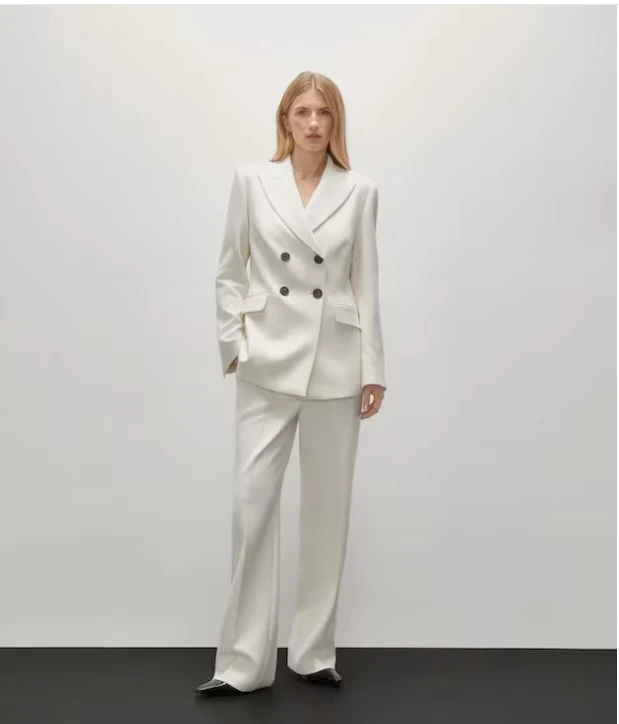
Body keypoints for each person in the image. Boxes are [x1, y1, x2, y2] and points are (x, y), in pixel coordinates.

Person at [195, 70, 387, 697]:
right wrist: (235, 346)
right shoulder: (252, 181)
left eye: (323, 113)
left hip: (335, 362)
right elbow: (230, 269)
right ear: (285, 119)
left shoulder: (359, 191)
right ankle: (242, 664)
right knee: (251, 508)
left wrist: (374, 369)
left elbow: (366, 284)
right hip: (267, 362)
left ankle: (312, 653)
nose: (312, 123)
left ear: (336, 122)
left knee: (328, 512)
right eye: (302, 111)